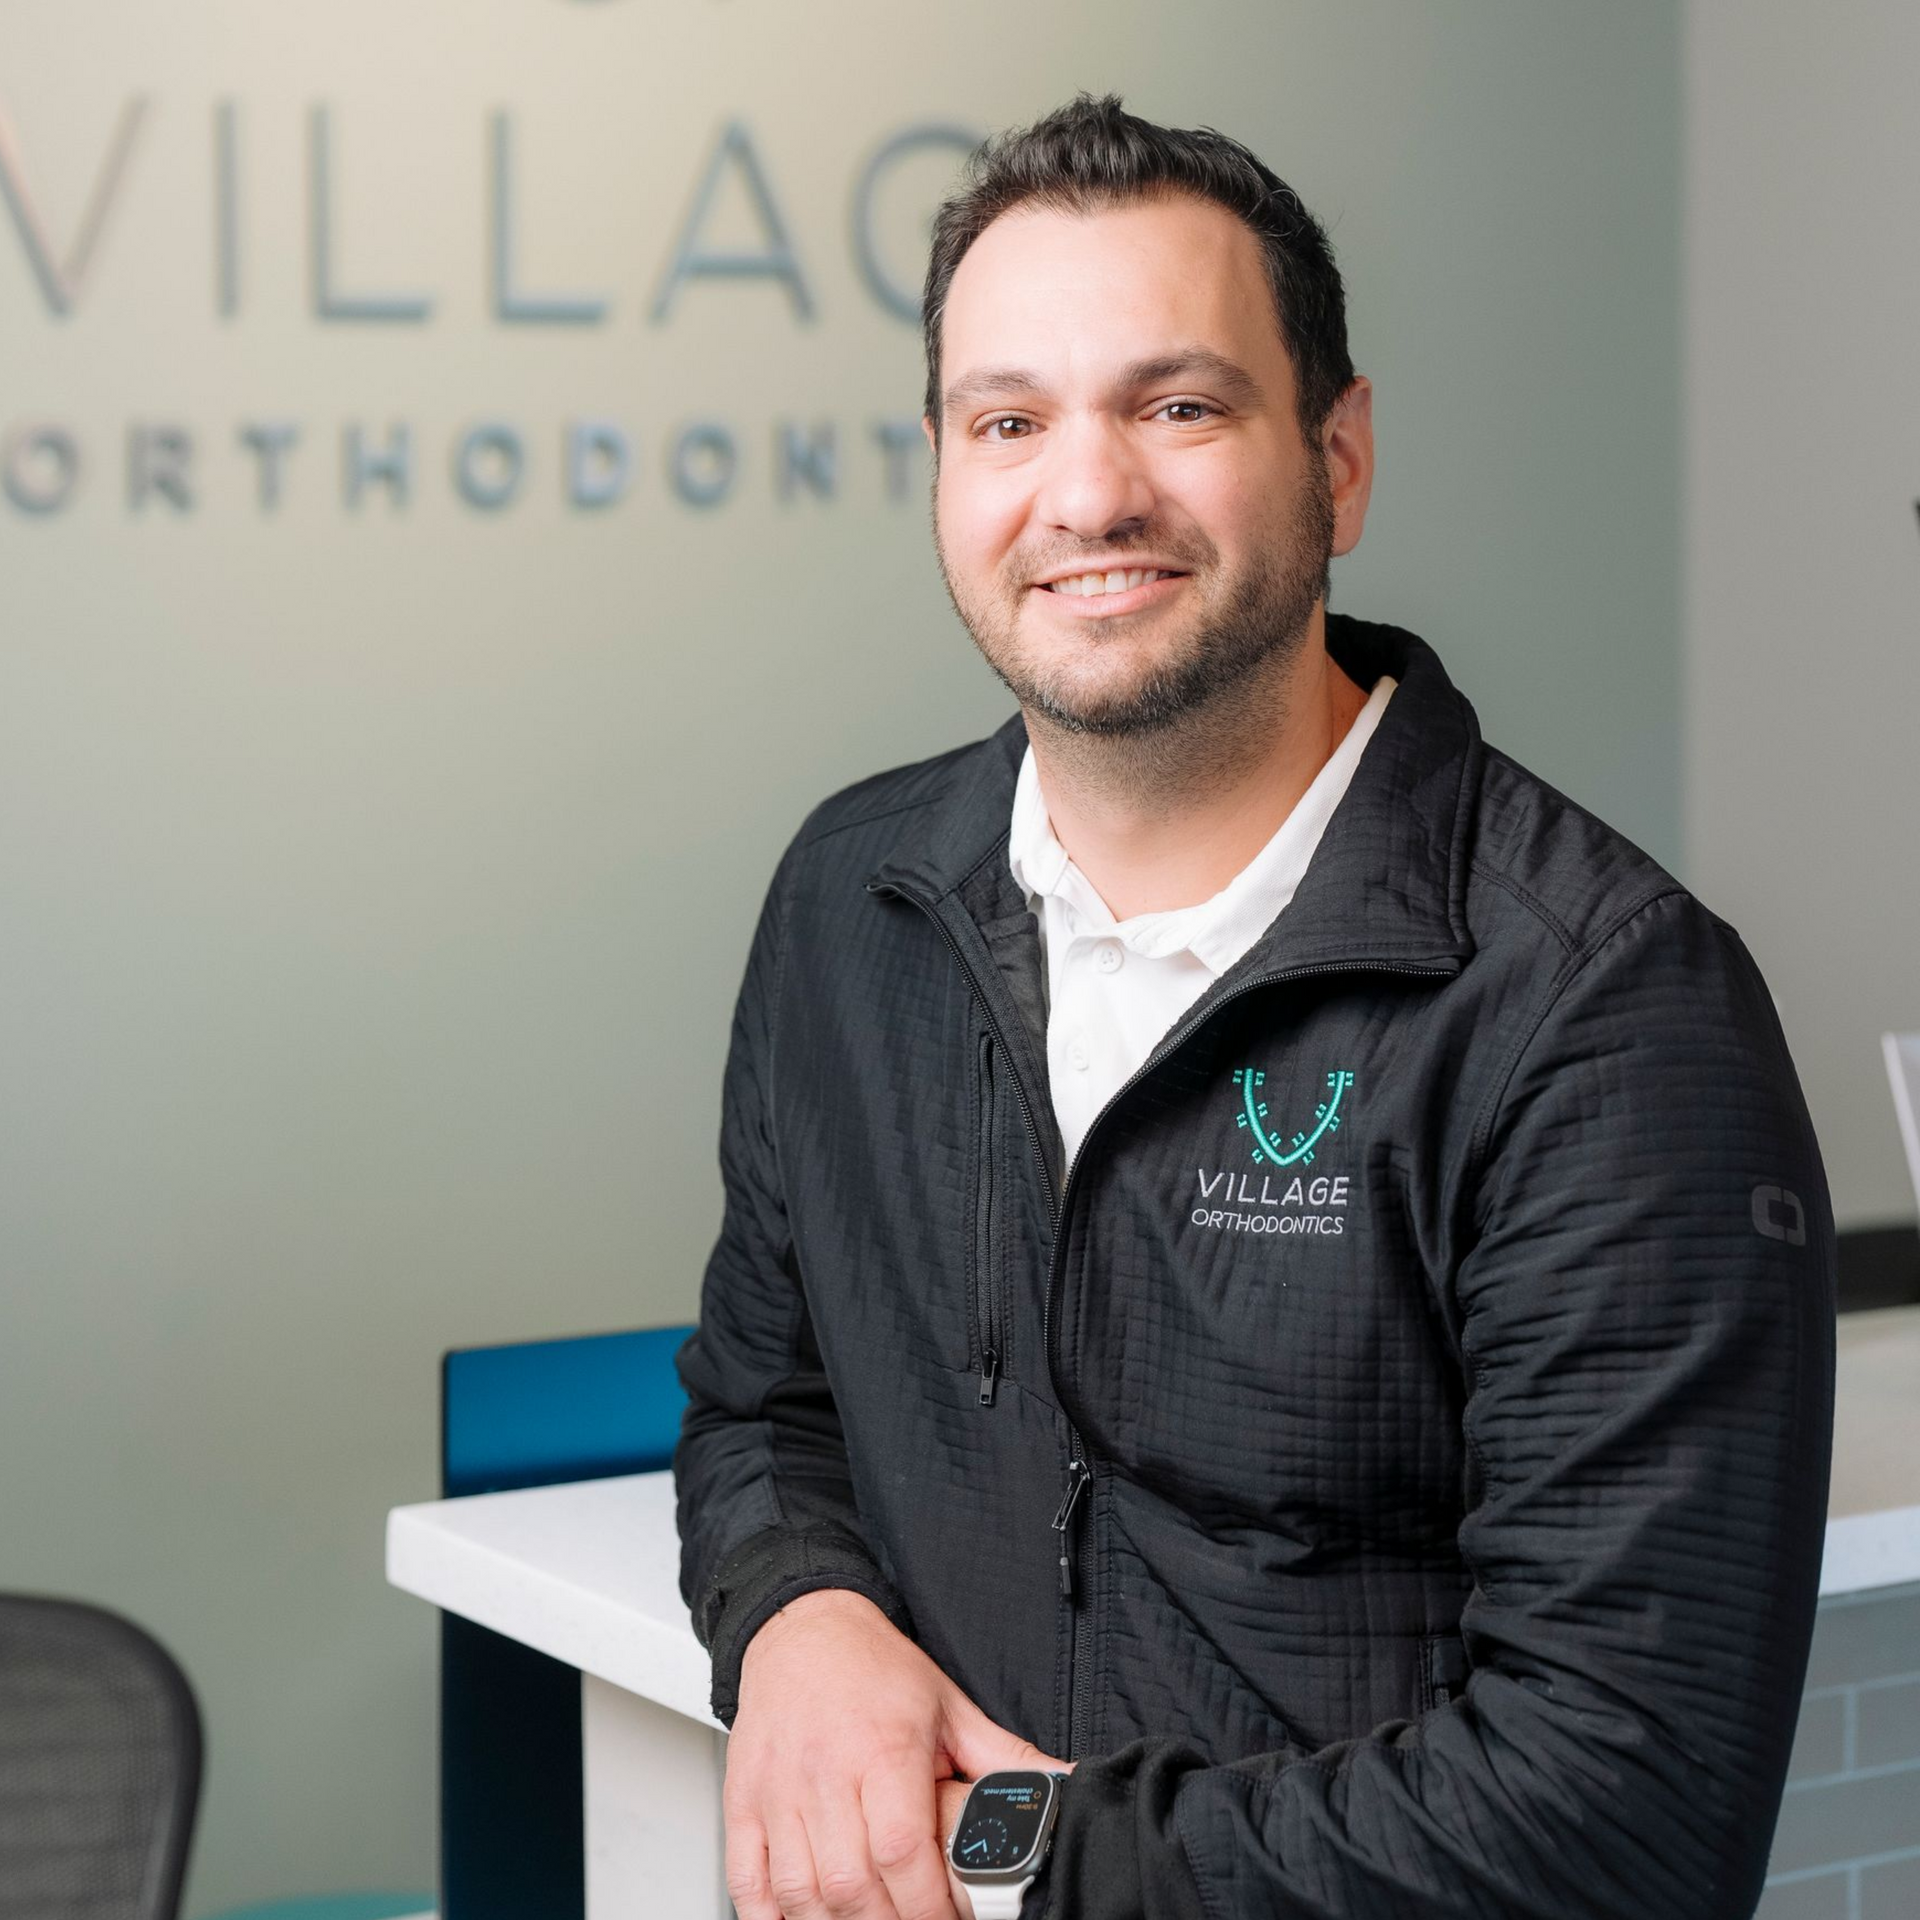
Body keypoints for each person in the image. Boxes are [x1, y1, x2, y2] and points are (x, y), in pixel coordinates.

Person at [673, 91, 1836, 1920]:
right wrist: (796, 1615)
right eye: (1010, 422)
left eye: (1180, 405)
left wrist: (1040, 1863)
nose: (1087, 493)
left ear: (1340, 459)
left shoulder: (1602, 1013)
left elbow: (1629, 1806)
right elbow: (764, 1398)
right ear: (942, 469)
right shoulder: (851, 901)